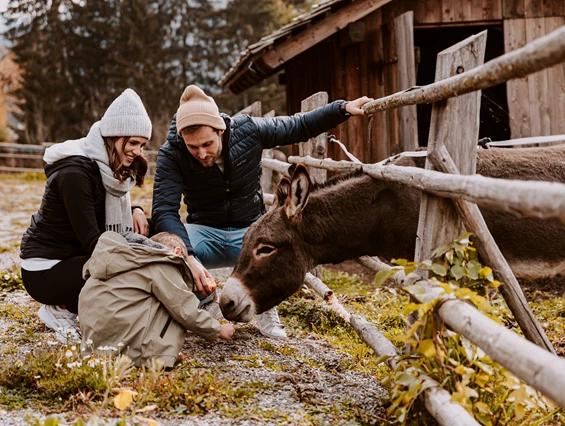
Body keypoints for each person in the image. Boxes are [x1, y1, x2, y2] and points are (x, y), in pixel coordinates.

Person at [151, 85, 373, 339]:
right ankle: (205, 303)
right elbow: (164, 210)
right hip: (204, 232)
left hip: (249, 232)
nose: (201, 153)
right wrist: (188, 257)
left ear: (221, 130)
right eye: (193, 147)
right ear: (182, 139)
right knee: (169, 248)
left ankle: (266, 309)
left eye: (207, 143)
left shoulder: (248, 131)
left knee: (272, 245)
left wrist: (341, 109)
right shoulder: (171, 154)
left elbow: (297, 126)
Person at [19, 89, 152, 343]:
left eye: (142, 145)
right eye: (133, 142)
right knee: (126, 270)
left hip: (73, 256)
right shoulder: (75, 173)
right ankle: (60, 308)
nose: (137, 151)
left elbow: (106, 212)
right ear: (114, 136)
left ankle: (74, 305)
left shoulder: (107, 167)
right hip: (45, 271)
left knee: (144, 235)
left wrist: (136, 210)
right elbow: (95, 243)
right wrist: (144, 259)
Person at [78, 231, 235, 368]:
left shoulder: (121, 260)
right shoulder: (163, 263)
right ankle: (155, 356)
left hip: (94, 348)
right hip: (130, 352)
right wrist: (217, 329)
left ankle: (161, 352)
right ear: (178, 252)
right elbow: (184, 308)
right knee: (172, 301)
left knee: (144, 299)